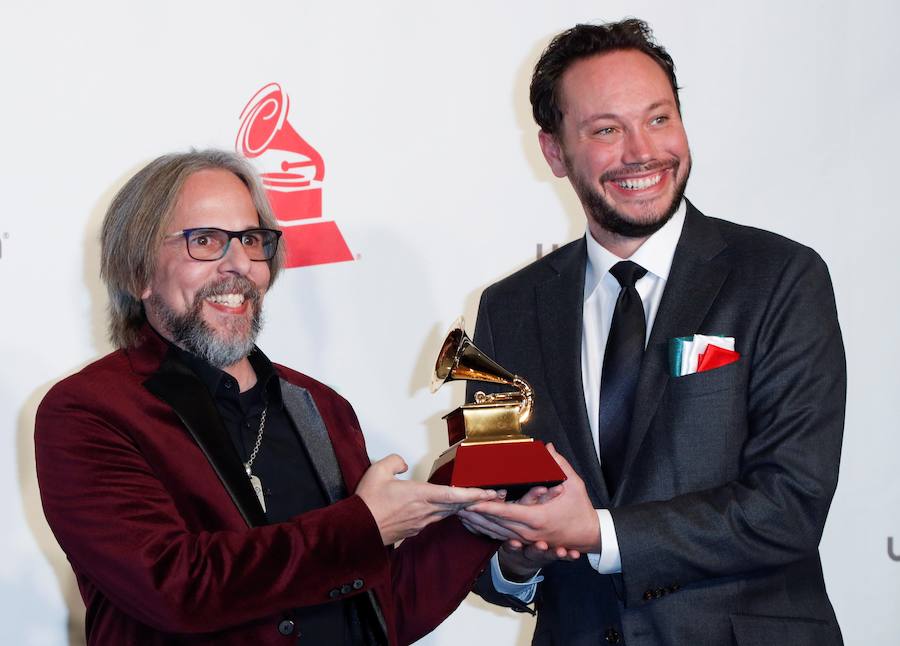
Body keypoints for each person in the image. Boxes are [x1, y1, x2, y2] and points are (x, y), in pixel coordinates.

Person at [457, 19, 845, 645]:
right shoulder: (509, 310)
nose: (642, 151)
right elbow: (487, 525)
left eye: (659, 119)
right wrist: (518, 555)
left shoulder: (779, 278)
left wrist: (597, 533)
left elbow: (790, 505)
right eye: (606, 130)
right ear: (555, 152)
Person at [34, 150, 498, 645]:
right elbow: (174, 586)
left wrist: (481, 516)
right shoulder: (87, 412)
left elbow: (383, 612)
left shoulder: (321, 406)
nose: (239, 264)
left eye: (252, 240)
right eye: (205, 241)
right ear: (138, 273)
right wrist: (361, 527)